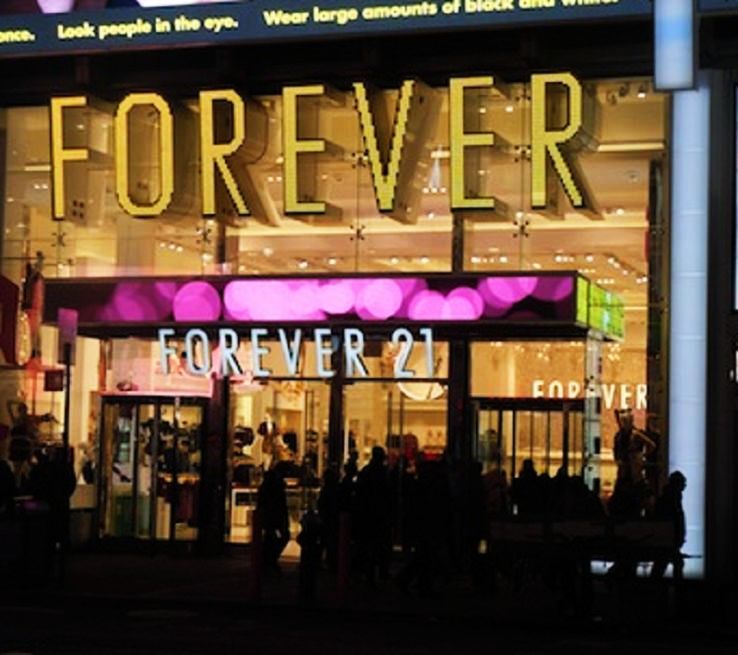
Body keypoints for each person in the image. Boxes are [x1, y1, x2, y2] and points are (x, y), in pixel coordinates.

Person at [355, 446, 392, 584]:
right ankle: (380, 571)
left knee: (370, 545)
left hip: (368, 513)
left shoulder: (366, 472)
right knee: (380, 544)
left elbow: (359, 492)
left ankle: (370, 572)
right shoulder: (383, 473)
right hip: (378, 513)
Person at [651, 471, 687, 579]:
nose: (684, 486)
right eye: (683, 483)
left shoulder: (668, 498)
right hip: (669, 539)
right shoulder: (673, 499)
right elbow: (676, 520)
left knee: (662, 564)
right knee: (670, 563)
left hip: (667, 539)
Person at [257, 468, 290, 571]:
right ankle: (270, 561)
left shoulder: (266, 489)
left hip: (271, 520)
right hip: (276, 519)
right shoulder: (276, 489)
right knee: (277, 538)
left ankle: (268, 561)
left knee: (271, 539)